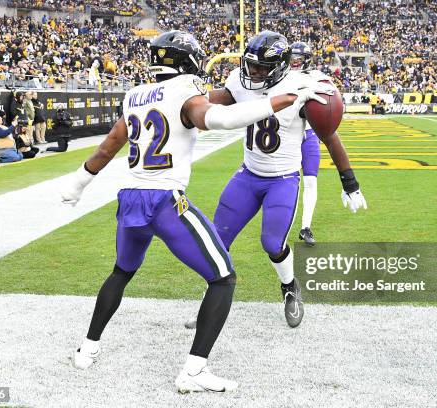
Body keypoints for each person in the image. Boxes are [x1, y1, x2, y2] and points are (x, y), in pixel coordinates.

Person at [59, 30, 326, 393]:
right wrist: (285, 99)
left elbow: (108, 148)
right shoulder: (185, 94)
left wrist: (76, 185)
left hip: (130, 198)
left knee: (121, 272)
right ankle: (194, 371)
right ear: (187, 61)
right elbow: (224, 120)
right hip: (165, 201)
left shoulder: (134, 94)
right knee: (223, 278)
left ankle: (86, 350)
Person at [207, 31, 367, 328]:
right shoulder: (241, 82)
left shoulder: (300, 87)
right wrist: (184, 96)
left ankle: (290, 286)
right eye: (250, 65)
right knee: (217, 240)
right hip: (248, 174)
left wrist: (349, 181)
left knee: (272, 243)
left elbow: (330, 137)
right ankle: (211, 299)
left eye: (260, 68)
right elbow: (216, 100)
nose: (252, 73)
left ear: (281, 66)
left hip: (282, 179)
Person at [288, 41, 367, 247]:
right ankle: (282, 223)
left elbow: (331, 104)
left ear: (306, 60)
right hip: (288, 136)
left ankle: (306, 227)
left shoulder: (318, 78)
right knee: (287, 182)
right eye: (291, 58)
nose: (294, 63)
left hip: (310, 135)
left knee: (311, 181)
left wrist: (349, 182)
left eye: (298, 59)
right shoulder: (281, 77)